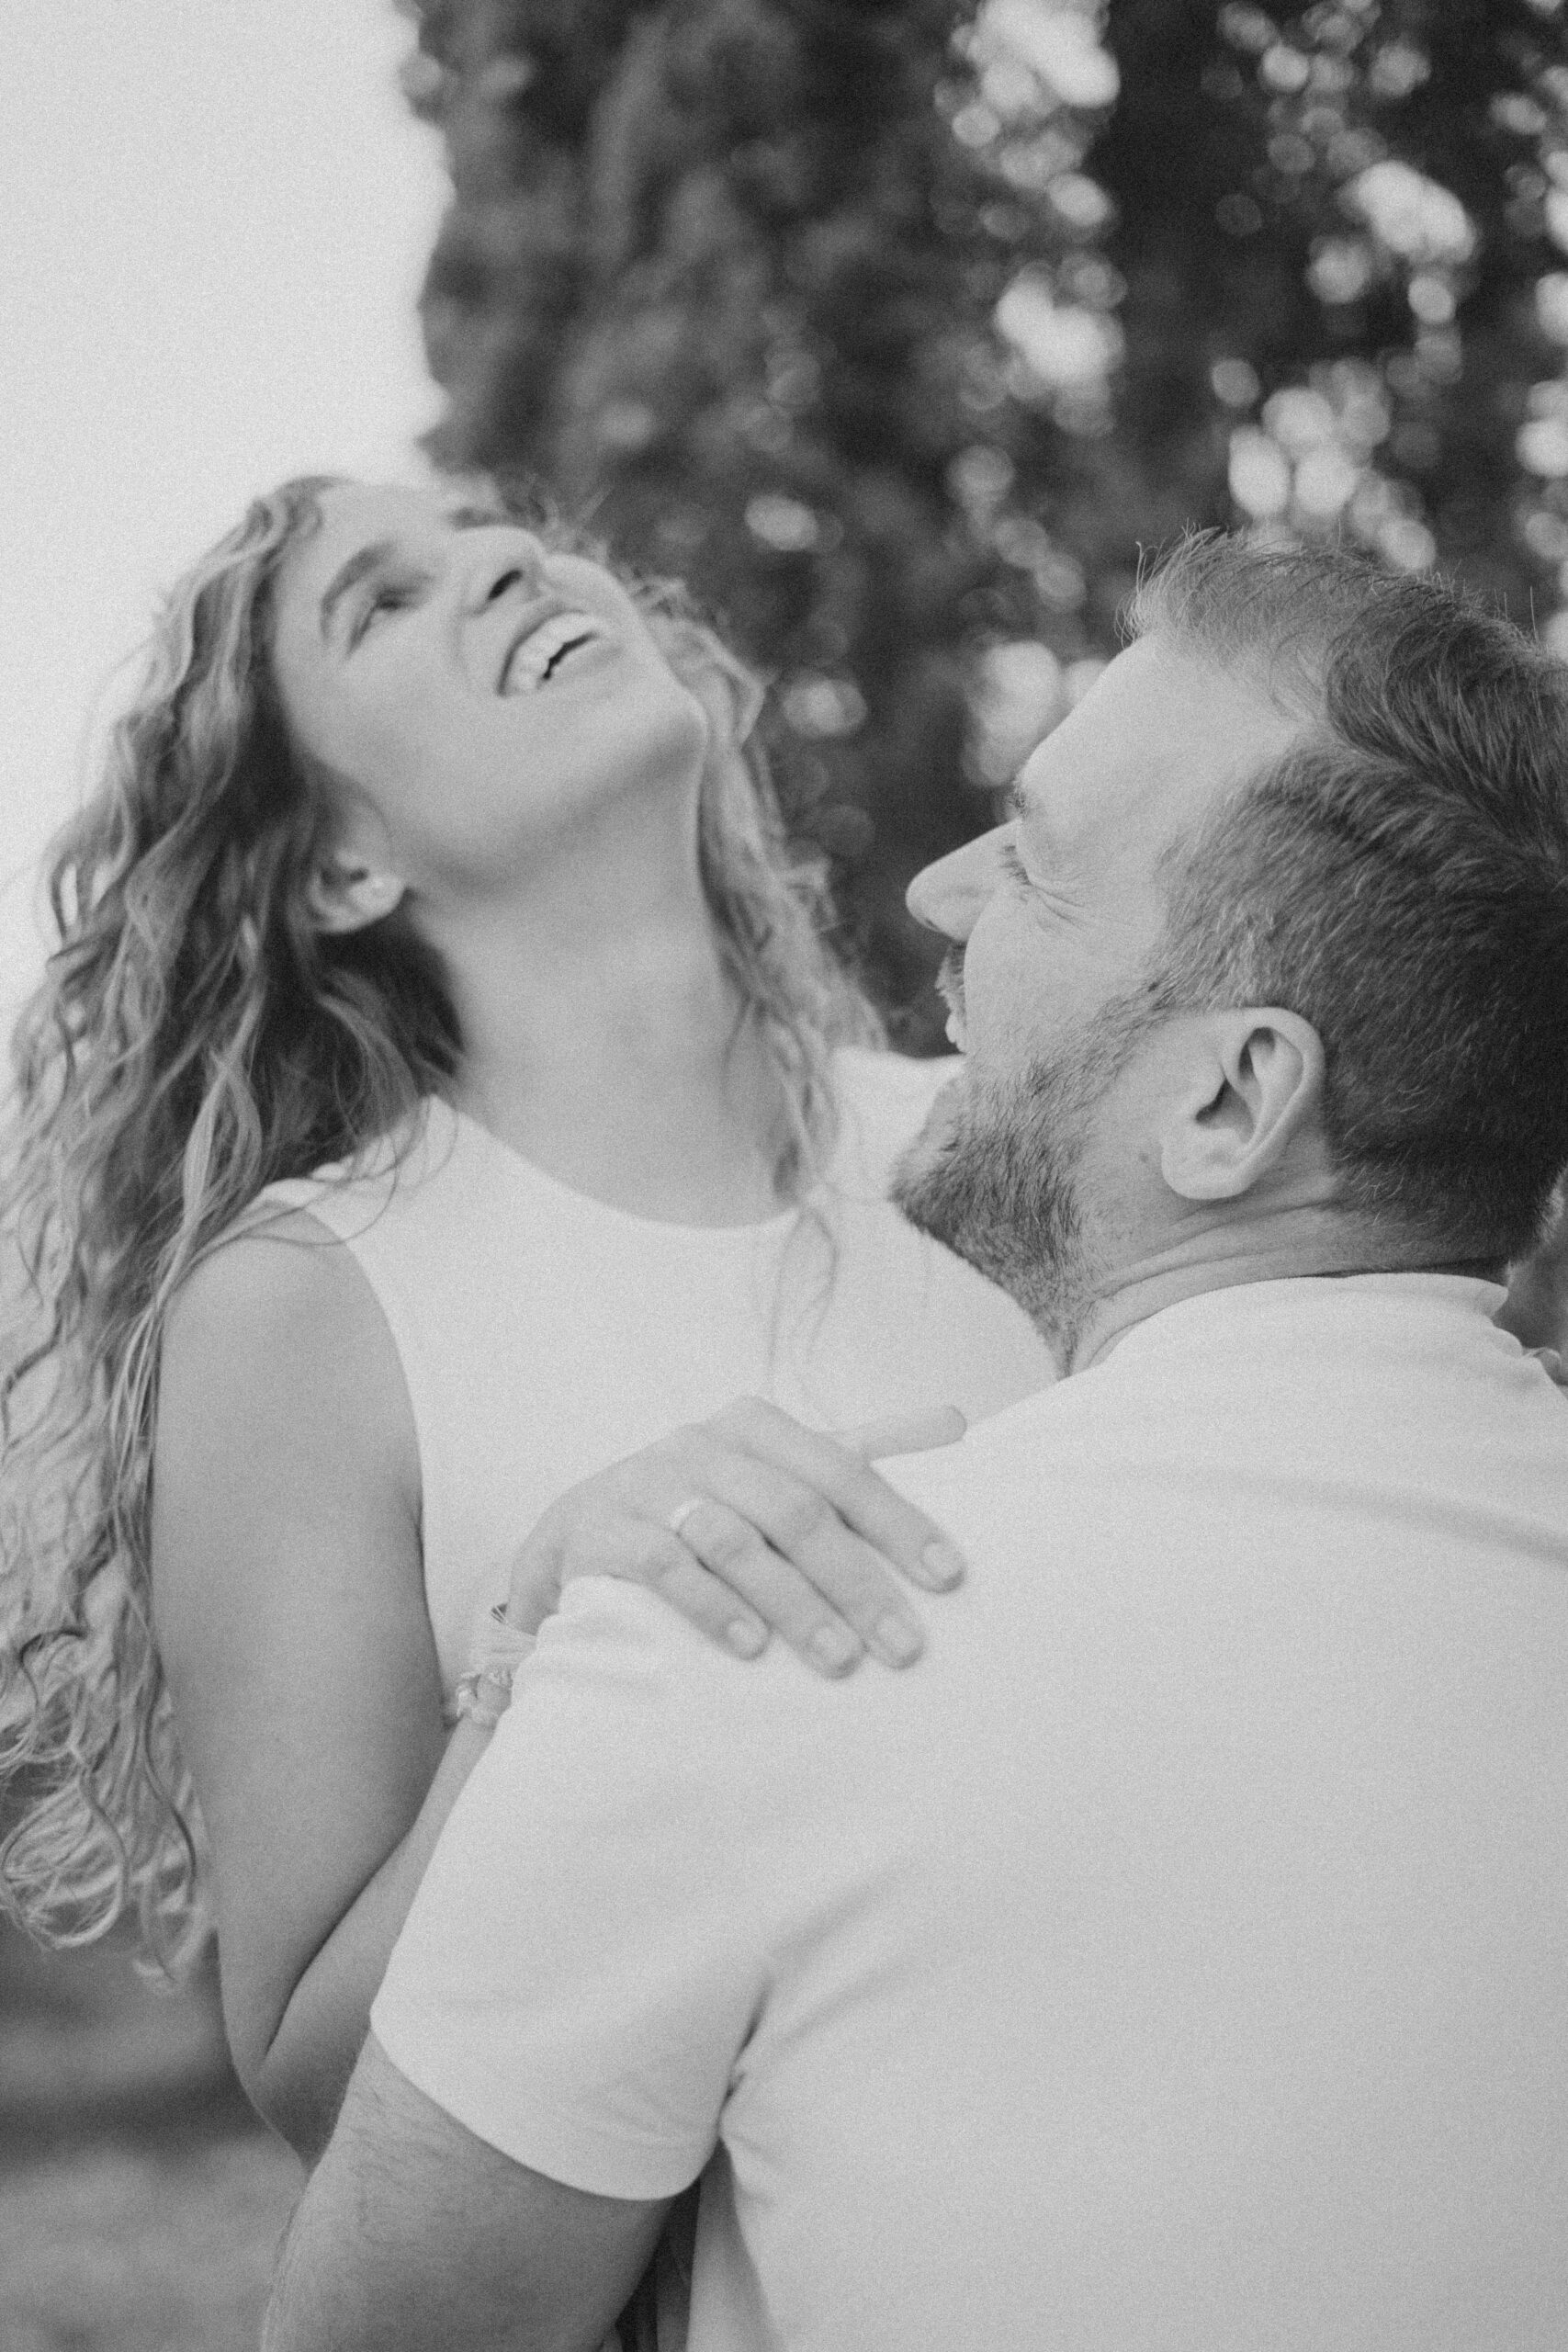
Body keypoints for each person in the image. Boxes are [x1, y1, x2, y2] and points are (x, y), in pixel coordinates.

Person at [264, 533, 1568, 2352]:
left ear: (1227, 1096)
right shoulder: (319, 1303)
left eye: (1031, 861)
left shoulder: (735, 1636)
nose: (942, 893)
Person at [0, 473, 1052, 2202]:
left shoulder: (997, 1145)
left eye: (497, 536)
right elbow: (322, 2083)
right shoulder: (305, 1304)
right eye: (383, 602)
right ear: (340, 864)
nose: (509, 557)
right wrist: (543, 1660)